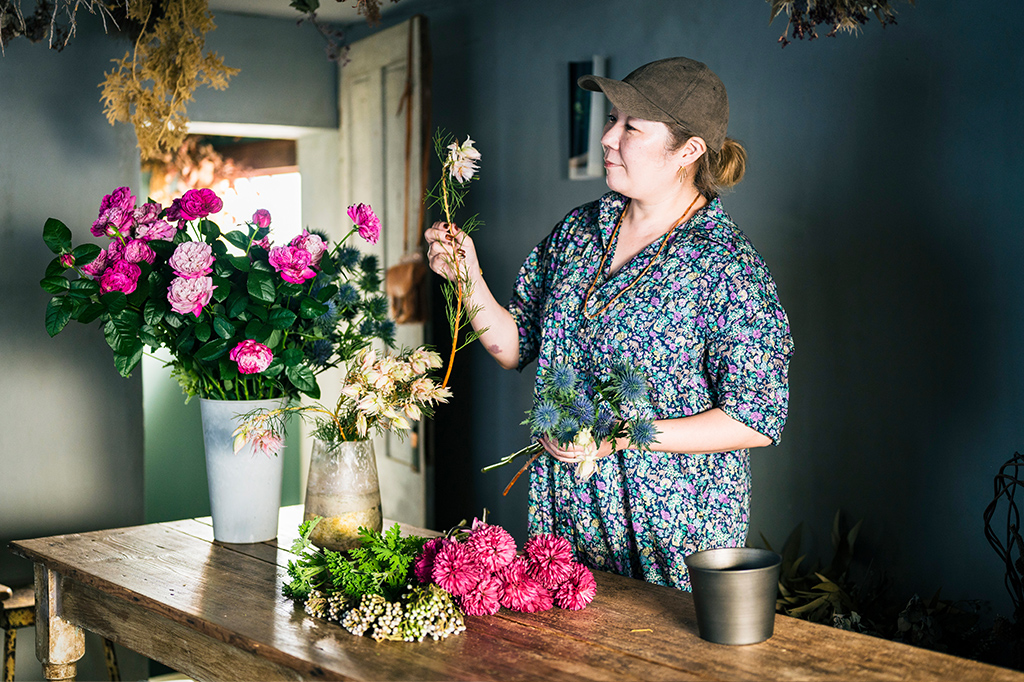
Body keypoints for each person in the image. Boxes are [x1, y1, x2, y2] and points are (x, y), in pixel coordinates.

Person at [424, 57, 793, 590]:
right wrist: (468, 275)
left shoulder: (727, 265)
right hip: (565, 519)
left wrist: (620, 436)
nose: (607, 136)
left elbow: (756, 420)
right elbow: (513, 345)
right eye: (611, 118)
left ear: (688, 152)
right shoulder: (578, 230)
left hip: (672, 534)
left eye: (631, 127)